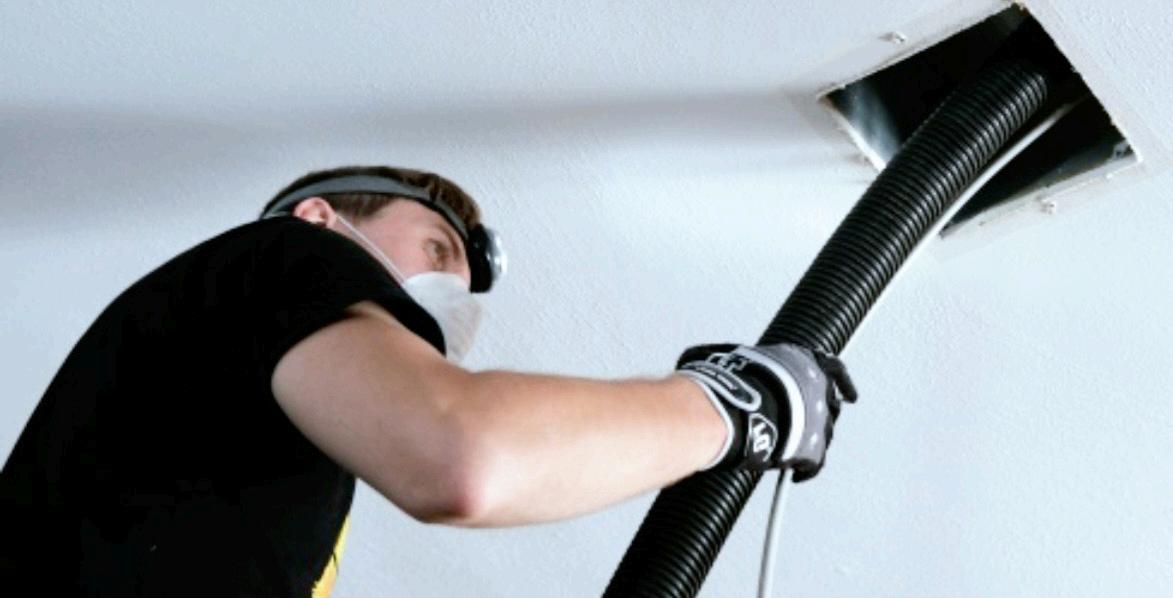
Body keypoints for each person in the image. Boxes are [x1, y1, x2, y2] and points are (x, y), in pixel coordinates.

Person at [0, 165, 854, 597]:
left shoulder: (251, 456)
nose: (450, 293)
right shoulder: (290, 254)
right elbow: (464, 457)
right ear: (319, 217)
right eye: (437, 250)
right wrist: (734, 405)